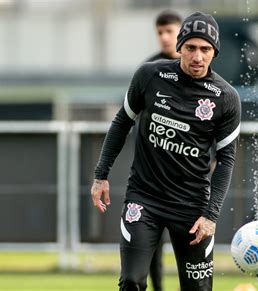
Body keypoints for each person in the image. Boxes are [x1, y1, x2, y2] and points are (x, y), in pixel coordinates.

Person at [91, 11, 241, 291]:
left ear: (214, 52)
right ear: (180, 47)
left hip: (193, 207)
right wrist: (101, 175)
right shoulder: (150, 75)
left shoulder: (226, 98)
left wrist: (211, 216)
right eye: (191, 48)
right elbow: (122, 122)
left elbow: (226, 160)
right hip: (144, 199)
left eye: (205, 49)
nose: (198, 56)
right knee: (133, 281)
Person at [141, 10, 182, 291]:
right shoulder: (149, 68)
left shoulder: (199, 65)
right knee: (151, 243)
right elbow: (134, 117)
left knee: (188, 241)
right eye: (160, 32)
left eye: (170, 31)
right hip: (154, 173)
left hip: (188, 175)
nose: (165, 37)